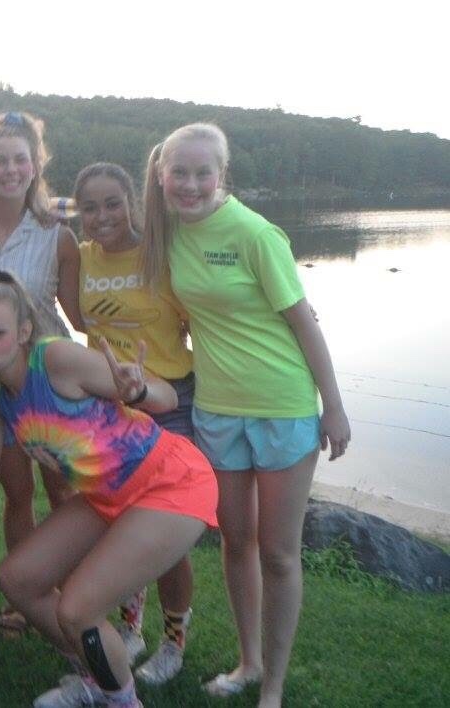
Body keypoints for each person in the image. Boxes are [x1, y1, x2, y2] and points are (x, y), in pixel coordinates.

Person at [0, 271, 218, 708]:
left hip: (169, 481)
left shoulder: (55, 360)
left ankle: (121, 700)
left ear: (24, 332)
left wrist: (137, 391)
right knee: (18, 580)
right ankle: (96, 676)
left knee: (77, 609)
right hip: (106, 496)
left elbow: (166, 398)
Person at [141, 122, 350, 706]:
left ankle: (273, 687)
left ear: (221, 174)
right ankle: (248, 663)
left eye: (202, 173)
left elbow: (304, 322)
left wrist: (333, 406)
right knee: (236, 542)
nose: (190, 184)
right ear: (161, 175)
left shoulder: (256, 234)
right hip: (216, 410)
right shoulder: (170, 235)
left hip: (282, 407)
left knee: (279, 552)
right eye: (179, 173)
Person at [0, 110, 80, 634]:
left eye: (19, 160)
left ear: (35, 166)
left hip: (48, 383)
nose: (9, 169)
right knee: (17, 492)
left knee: (63, 493)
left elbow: (81, 317)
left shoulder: (57, 235)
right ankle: (27, 596)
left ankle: (71, 591)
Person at [73, 161, 197, 684]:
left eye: (112, 203)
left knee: (165, 535)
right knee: (122, 524)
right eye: (89, 207)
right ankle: (131, 627)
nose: (102, 216)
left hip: (168, 403)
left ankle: (174, 642)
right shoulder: (80, 257)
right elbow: (74, 318)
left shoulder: (163, 256)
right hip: (109, 408)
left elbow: (207, 318)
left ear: (131, 202)